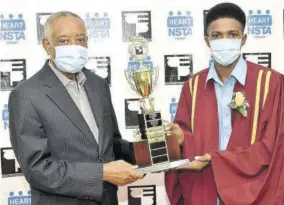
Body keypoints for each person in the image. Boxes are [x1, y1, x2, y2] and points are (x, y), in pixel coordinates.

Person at [8, 11, 143, 205]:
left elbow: (109, 144)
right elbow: (36, 168)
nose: (74, 46)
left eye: (80, 40)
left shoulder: (98, 85)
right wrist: (102, 173)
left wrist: (150, 150)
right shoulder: (26, 95)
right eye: (64, 41)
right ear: (47, 45)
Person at [166, 3, 284, 205]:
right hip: (206, 190)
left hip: (253, 194)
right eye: (217, 35)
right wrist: (180, 139)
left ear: (243, 39)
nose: (225, 41)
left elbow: (273, 146)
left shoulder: (271, 83)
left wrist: (217, 159)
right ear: (207, 40)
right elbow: (187, 141)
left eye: (232, 34)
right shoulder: (192, 87)